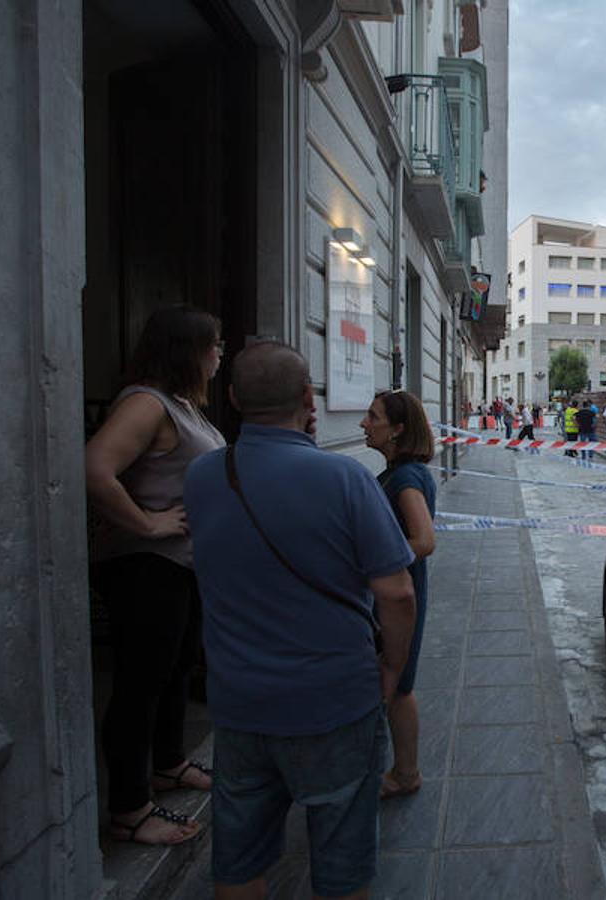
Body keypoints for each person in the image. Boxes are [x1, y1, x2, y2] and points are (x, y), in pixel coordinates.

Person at [185, 342, 416, 900]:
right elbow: (397, 592)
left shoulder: (201, 476)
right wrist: (391, 670)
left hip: (239, 706)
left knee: (238, 863)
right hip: (334, 700)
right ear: (309, 399)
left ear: (234, 398)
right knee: (342, 866)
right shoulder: (345, 479)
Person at [85, 306, 226, 846]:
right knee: (140, 685)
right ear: (187, 349)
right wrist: (148, 524)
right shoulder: (147, 402)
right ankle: (128, 808)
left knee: (174, 670)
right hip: (146, 568)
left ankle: (167, 764)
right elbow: (95, 467)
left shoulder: (185, 405)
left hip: (182, 566)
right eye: (214, 345)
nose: (220, 355)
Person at [361, 390, 437, 801]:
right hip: (398, 589)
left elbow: (424, 540)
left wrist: (374, 563)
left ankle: (406, 773)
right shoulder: (402, 471)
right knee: (397, 683)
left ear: (398, 429)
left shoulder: (406, 477)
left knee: (398, 684)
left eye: (373, 417)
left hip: (398, 592)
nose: (364, 423)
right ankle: (404, 771)